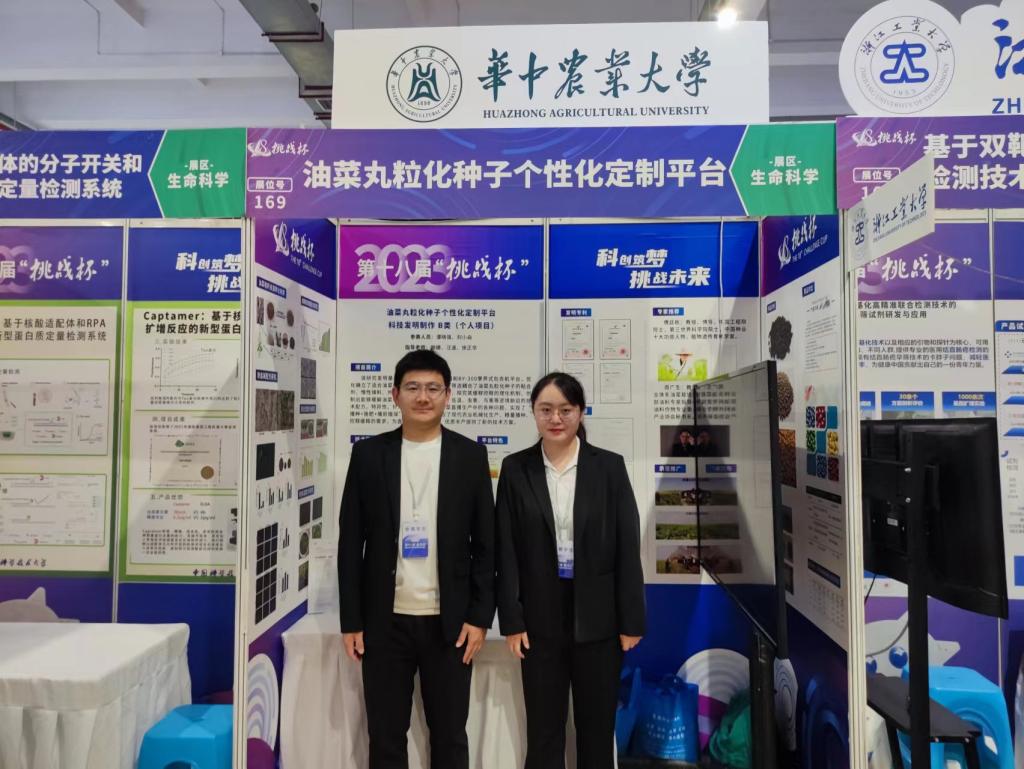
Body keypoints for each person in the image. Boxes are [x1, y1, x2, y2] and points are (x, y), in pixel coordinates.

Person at [337, 349, 495, 769]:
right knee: (386, 736)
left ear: (448, 395)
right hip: (384, 622)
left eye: (432, 388)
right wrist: (351, 619)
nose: (423, 397)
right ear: (395, 395)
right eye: (412, 388)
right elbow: (350, 542)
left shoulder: (470, 456)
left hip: (451, 625)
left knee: (450, 736)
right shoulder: (369, 455)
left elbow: (486, 544)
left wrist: (479, 616)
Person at [495, 372, 646, 769]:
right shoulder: (516, 469)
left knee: (596, 731)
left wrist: (631, 620)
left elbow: (627, 546)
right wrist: (512, 619)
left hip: (599, 619)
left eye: (565, 409)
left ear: (581, 412)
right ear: (534, 413)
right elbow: (505, 549)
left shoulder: (608, 467)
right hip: (539, 620)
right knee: (544, 732)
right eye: (546, 410)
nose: (555, 418)